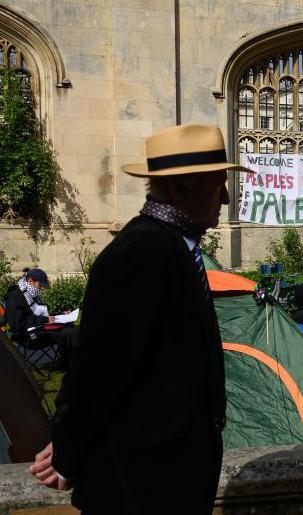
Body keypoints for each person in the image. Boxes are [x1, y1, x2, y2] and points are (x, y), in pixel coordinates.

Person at [29, 124, 254, 513]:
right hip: (143, 483)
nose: (227, 198)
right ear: (182, 189)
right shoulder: (143, 252)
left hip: (169, 473)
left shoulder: (171, 246)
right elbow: (100, 369)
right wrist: (67, 452)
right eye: (218, 184)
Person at [4, 268, 79, 368]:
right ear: (30, 281)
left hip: (40, 328)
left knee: (72, 328)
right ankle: (71, 365)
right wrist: (45, 320)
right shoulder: (15, 296)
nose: (42, 288)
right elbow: (17, 323)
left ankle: (67, 362)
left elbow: (41, 313)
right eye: (40, 285)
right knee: (70, 333)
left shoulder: (31, 293)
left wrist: (61, 314)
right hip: (28, 336)